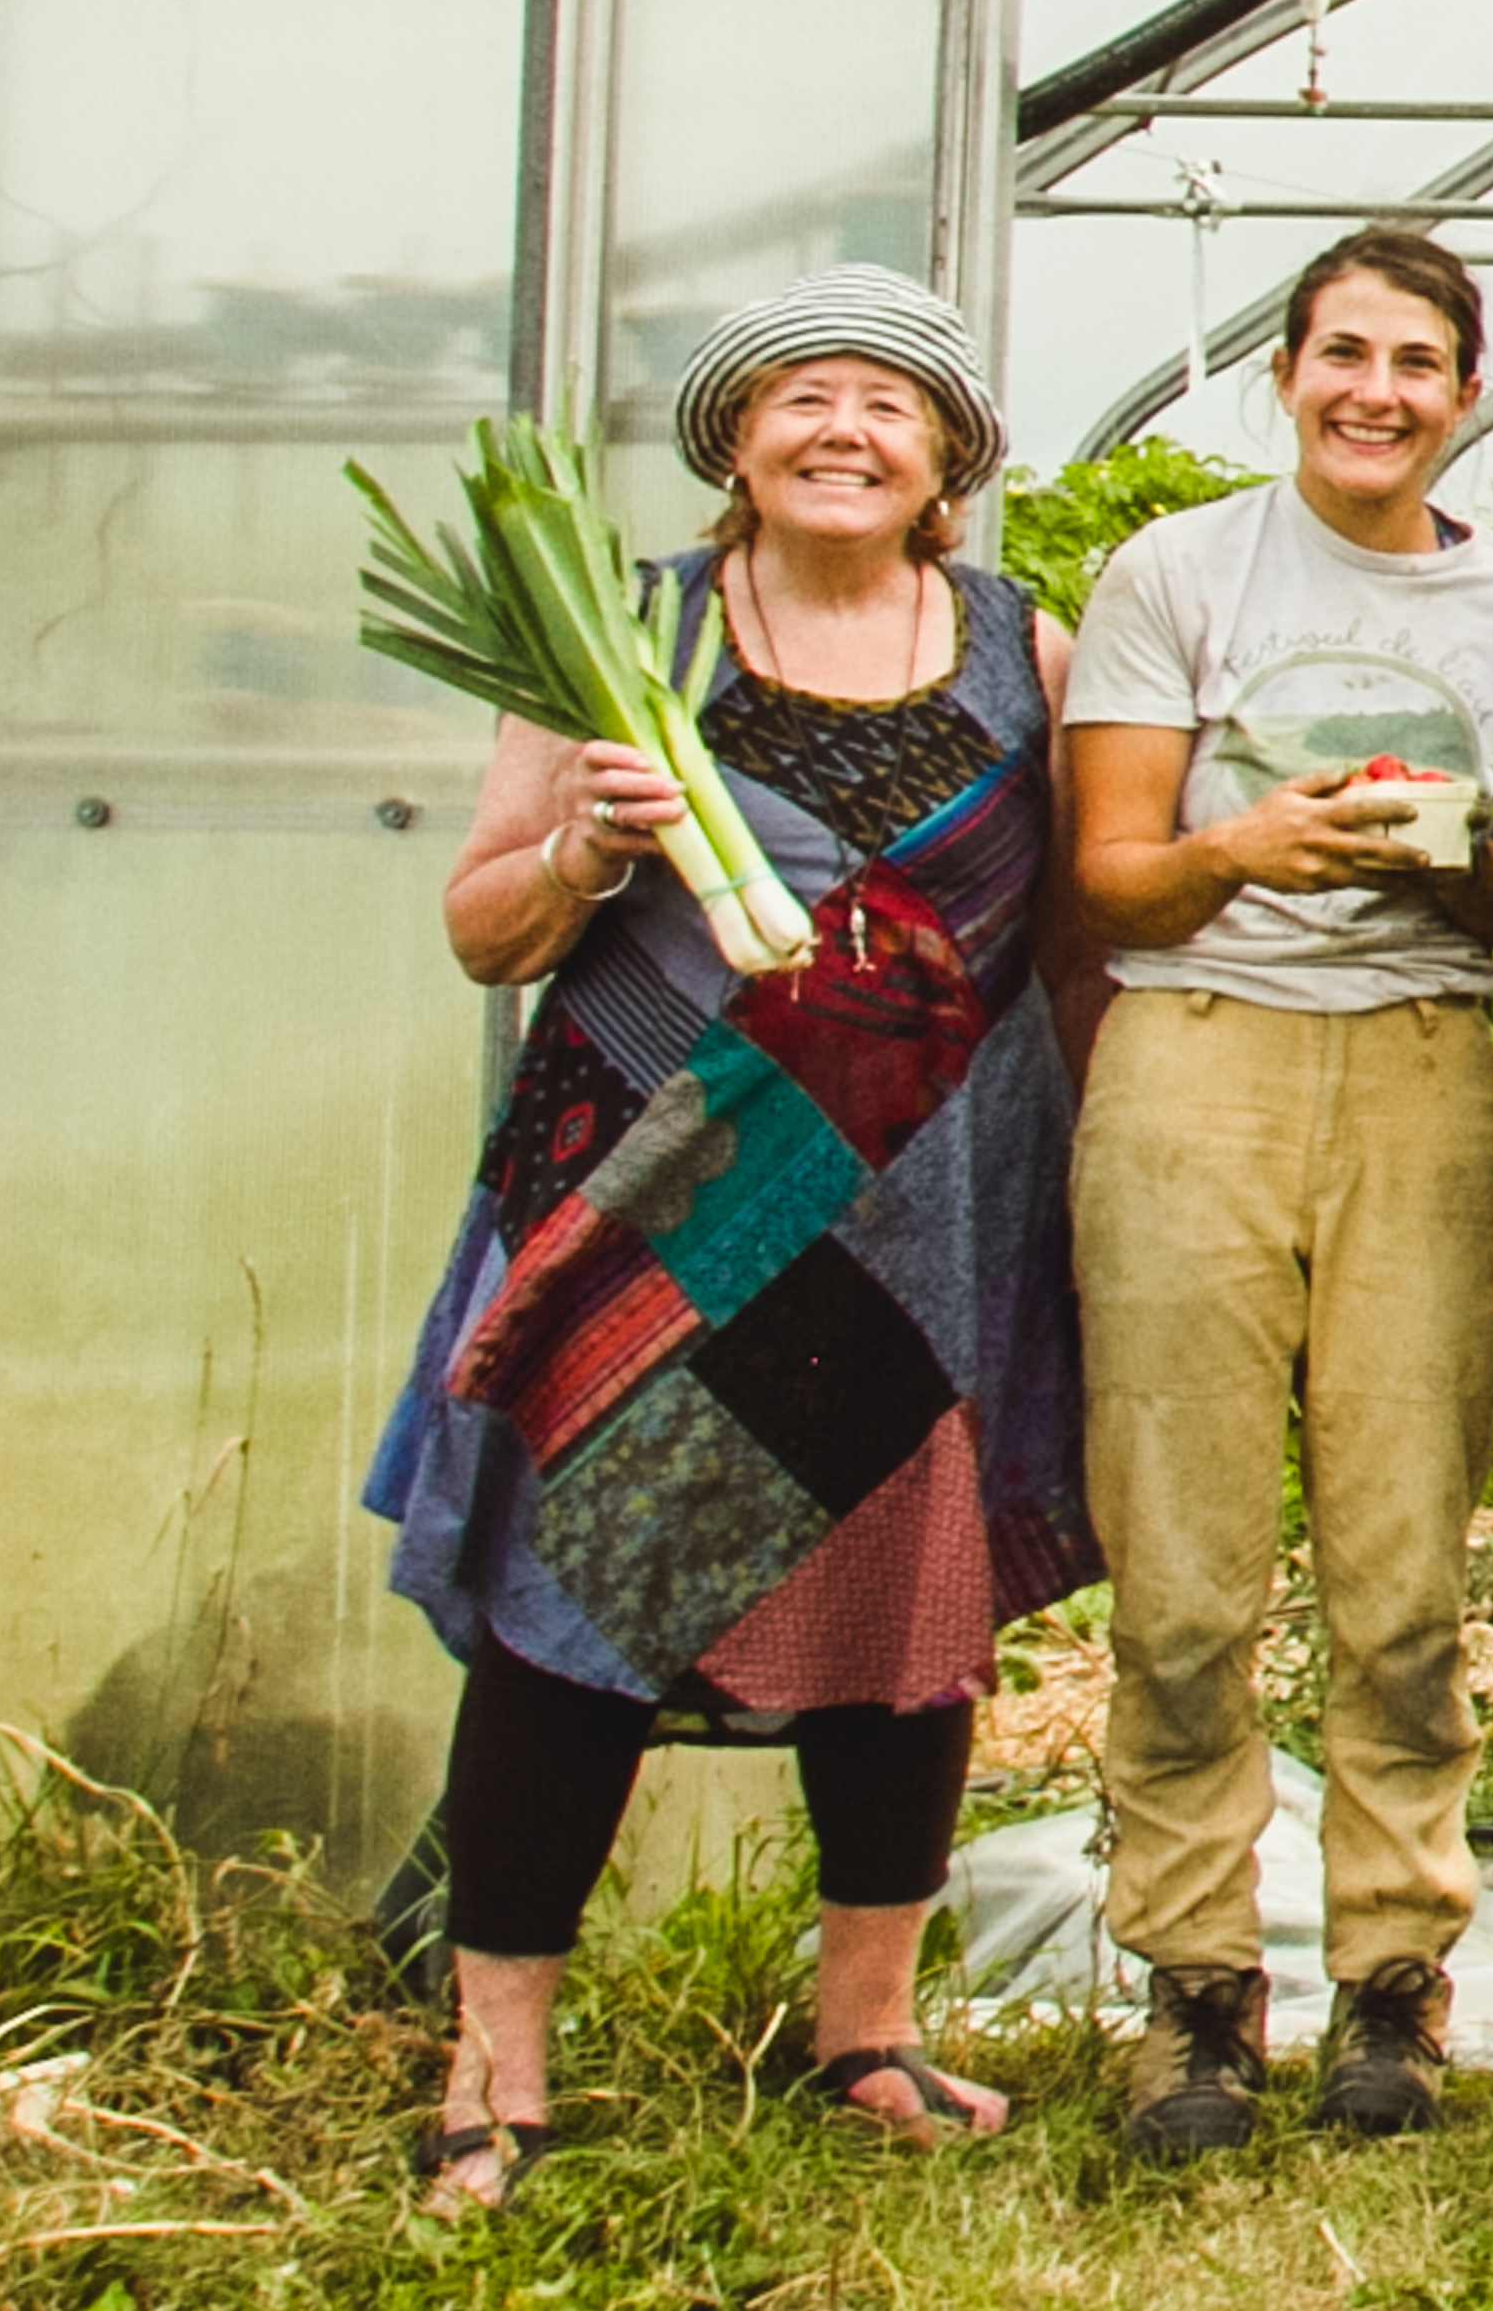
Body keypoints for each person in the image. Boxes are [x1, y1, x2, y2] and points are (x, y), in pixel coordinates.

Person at [371, 272, 1088, 2218]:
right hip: (664, 1210)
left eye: (889, 402)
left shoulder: (1029, 644)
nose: (845, 429)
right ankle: (494, 2067)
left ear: (948, 455)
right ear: (735, 440)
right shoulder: (632, 639)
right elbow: (486, 931)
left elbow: (1076, 937)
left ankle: (866, 2032)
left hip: (925, 1207)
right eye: (802, 397)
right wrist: (589, 854)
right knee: (576, 1609)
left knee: (906, 1629)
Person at [1056, 225, 1493, 2158]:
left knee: (1402, 1572)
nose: (1377, 390)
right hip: (1196, 1053)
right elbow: (1109, 869)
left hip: (1429, 1073)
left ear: (1466, 394)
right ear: (1285, 373)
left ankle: (1393, 1978)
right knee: (1186, 1573)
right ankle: (1195, 1985)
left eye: (1417, 362)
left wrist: (1464, 877)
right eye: (1343, 353)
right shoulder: (1177, 571)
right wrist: (1247, 843)